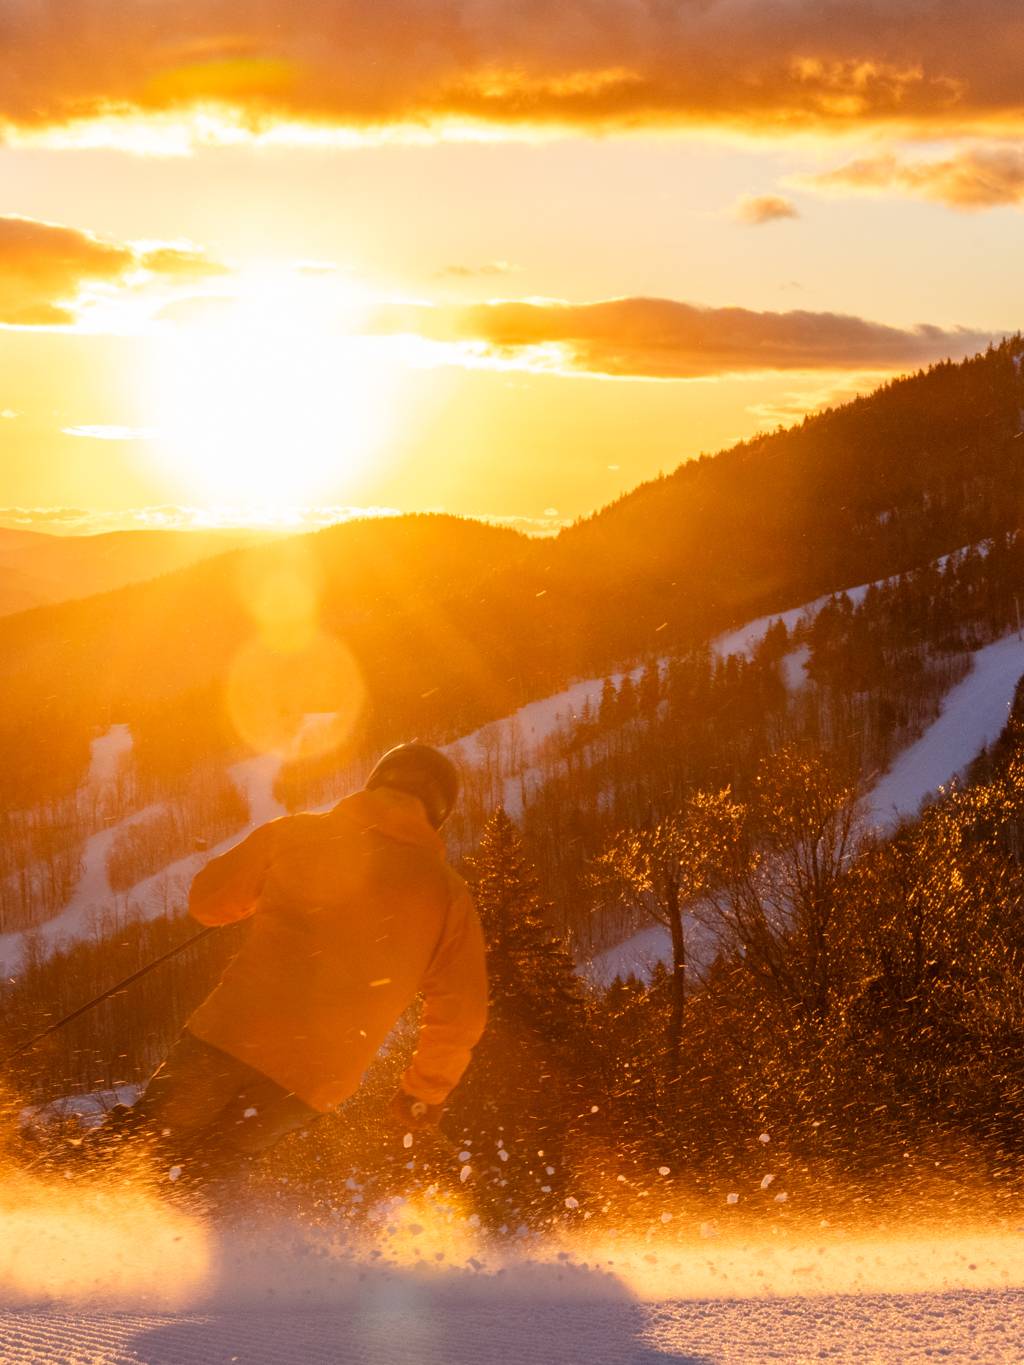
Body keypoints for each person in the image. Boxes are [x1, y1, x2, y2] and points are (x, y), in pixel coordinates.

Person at [104, 742, 487, 1183]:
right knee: (205, 1176)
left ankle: (61, 1223)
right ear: (440, 810)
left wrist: (255, 895)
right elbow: (463, 1011)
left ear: (377, 782)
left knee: (138, 1151)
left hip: (232, 1034)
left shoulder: (297, 833)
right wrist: (424, 1090)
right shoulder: (449, 895)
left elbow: (207, 901)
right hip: (311, 1082)